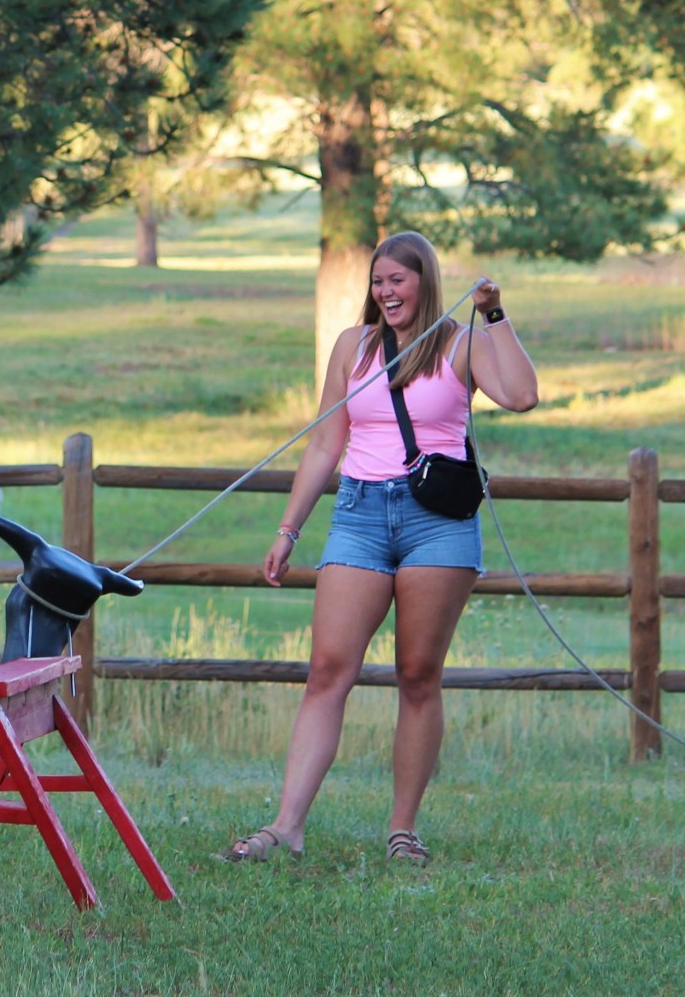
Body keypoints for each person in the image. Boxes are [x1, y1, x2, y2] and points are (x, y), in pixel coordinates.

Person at [223, 230, 537, 866]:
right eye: (378, 281)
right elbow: (323, 443)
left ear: (424, 281)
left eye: (398, 279)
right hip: (359, 514)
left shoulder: (461, 343)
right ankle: (286, 827)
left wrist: (495, 314)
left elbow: (522, 395)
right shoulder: (354, 346)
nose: (386, 291)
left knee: (418, 675)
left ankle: (402, 831)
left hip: (437, 523)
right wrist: (289, 529)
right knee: (328, 669)